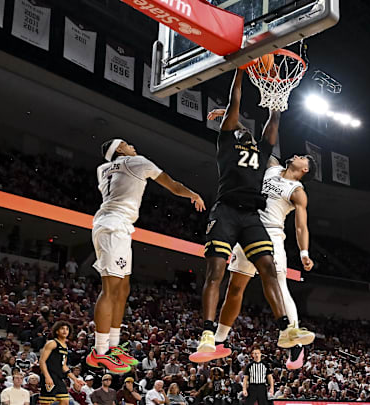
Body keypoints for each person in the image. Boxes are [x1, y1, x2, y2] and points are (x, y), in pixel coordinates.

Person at [191, 69, 313, 362]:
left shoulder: (267, 158)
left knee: (272, 273)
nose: (242, 132)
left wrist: (277, 98)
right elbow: (235, 104)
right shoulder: (231, 146)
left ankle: (288, 331)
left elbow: (272, 124)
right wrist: (241, 70)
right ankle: (210, 334)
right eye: (238, 129)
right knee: (220, 275)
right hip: (227, 212)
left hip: (256, 221)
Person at [88, 139, 205, 373]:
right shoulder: (137, 162)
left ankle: (113, 346)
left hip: (114, 225)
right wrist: (193, 194)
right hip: (114, 226)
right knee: (110, 289)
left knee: (123, 288)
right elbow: (171, 184)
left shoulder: (103, 169)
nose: (132, 145)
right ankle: (99, 352)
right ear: (120, 150)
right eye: (127, 144)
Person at [39, 322, 84, 405]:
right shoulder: (52, 343)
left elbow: (64, 366)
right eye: (62, 328)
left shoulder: (65, 346)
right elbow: (42, 361)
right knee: (46, 403)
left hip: (58, 377)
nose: (65, 331)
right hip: (49, 375)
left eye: (67, 329)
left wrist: (75, 379)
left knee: (65, 401)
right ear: (57, 331)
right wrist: (47, 377)